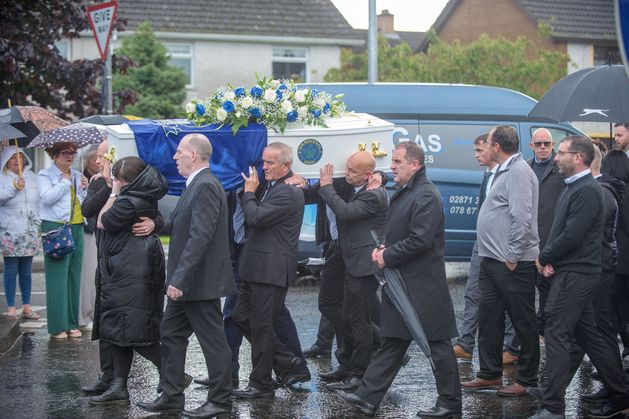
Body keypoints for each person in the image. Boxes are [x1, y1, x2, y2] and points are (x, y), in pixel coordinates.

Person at [335, 142, 461, 418]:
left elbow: (421, 239)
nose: (391, 166)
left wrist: (388, 255)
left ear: (414, 164)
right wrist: (384, 247)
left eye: (397, 161)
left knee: (438, 345)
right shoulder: (408, 191)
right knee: (393, 341)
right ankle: (368, 398)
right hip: (403, 282)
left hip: (423, 284)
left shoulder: (425, 195)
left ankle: (450, 404)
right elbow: (401, 232)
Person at [529, 136, 629, 419]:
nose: (556, 157)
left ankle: (553, 406)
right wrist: (551, 258)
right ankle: (621, 393)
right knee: (589, 335)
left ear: (579, 157)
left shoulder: (586, 190)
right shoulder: (575, 187)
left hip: (577, 273)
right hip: (575, 270)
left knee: (557, 333)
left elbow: (573, 234)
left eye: (561, 153)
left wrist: (545, 257)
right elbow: (566, 231)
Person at [137, 133, 235, 418]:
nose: (175, 156)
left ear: (193, 154)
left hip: (197, 284)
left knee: (213, 342)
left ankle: (220, 400)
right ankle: (171, 396)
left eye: (179, 152)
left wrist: (179, 279)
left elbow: (199, 237)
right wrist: (157, 224)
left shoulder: (204, 185)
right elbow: (184, 227)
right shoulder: (197, 184)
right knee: (170, 334)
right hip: (189, 283)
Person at [80, 141, 164, 396]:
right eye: (100, 155)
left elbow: (110, 220)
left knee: (121, 325)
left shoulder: (130, 193)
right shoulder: (98, 182)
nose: (102, 159)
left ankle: (121, 381)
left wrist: (155, 223)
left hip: (123, 264)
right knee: (110, 324)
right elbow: (87, 210)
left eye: (107, 154)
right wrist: (106, 187)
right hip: (111, 260)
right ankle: (110, 378)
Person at [461, 125, 540, 397]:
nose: (484, 147)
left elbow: (522, 215)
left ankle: (527, 379)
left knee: (522, 320)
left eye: (489, 142)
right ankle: (489, 374)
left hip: (512, 261)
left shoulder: (518, 172)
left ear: (497, 146)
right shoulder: (501, 171)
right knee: (489, 316)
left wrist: (513, 254)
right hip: (490, 258)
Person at [231, 142, 308, 398]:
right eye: (263, 162)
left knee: (262, 326)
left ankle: (261, 383)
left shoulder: (288, 192)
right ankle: (287, 361)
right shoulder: (273, 186)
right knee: (242, 317)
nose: (264, 167)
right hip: (255, 268)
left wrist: (249, 192)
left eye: (270, 163)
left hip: (271, 269)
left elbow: (255, 217)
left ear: (286, 166)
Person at [315, 151, 388, 391]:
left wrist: (326, 187)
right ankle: (360, 358)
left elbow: (345, 213)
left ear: (368, 175)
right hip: (346, 255)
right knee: (342, 312)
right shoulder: (356, 185)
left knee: (359, 320)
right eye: (346, 169)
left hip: (362, 262)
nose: (346, 174)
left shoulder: (373, 194)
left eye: (352, 172)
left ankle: (359, 372)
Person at [453, 133, 519, 364]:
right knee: (473, 292)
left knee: (507, 296)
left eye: (480, 150)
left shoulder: (510, 175)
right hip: (481, 242)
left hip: (502, 244)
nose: (476, 155)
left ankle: (512, 347)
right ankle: (465, 343)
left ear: (494, 148)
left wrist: (513, 249)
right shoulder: (487, 175)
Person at [37, 142, 87, 339]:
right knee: (58, 277)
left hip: (76, 225)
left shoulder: (76, 174)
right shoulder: (45, 175)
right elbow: (46, 198)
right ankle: (58, 325)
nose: (70, 157)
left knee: (74, 276)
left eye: (73, 153)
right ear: (55, 155)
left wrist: (84, 187)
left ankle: (72, 322)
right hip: (55, 226)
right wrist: (64, 182)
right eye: (66, 153)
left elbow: (81, 202)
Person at [527, 128, 564, 337]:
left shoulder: (559, 169)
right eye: (539, 144)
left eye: (547, 144)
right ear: (531, 146)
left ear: (552, 146)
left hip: (551, 239)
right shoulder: (526, 167)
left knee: (549, 293)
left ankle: (548, 334)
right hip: (529, 241)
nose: (543, 147)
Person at [0, 146, 40, 320]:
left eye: (20, 157)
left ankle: (26, 306)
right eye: (13, 158)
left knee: (26, 269)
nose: (18, 160)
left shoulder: (31, 177)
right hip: (10, 230)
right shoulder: (2, 178)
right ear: (6, 161)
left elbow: (40, 201)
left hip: (30, 229)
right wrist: (14, 187)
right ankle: (10, 306)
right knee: (10, 269)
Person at [601, 150, 629, 363]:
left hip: (615, 261)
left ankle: (614, 368)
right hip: (623, 262)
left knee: (613, 315)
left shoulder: (610, 193)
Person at [78, 146, 99, 328]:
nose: (99, 162)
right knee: (89, 273)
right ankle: (85, 314)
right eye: (95, 159)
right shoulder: (81, 178)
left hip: (100, 230)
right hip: (88, 229)